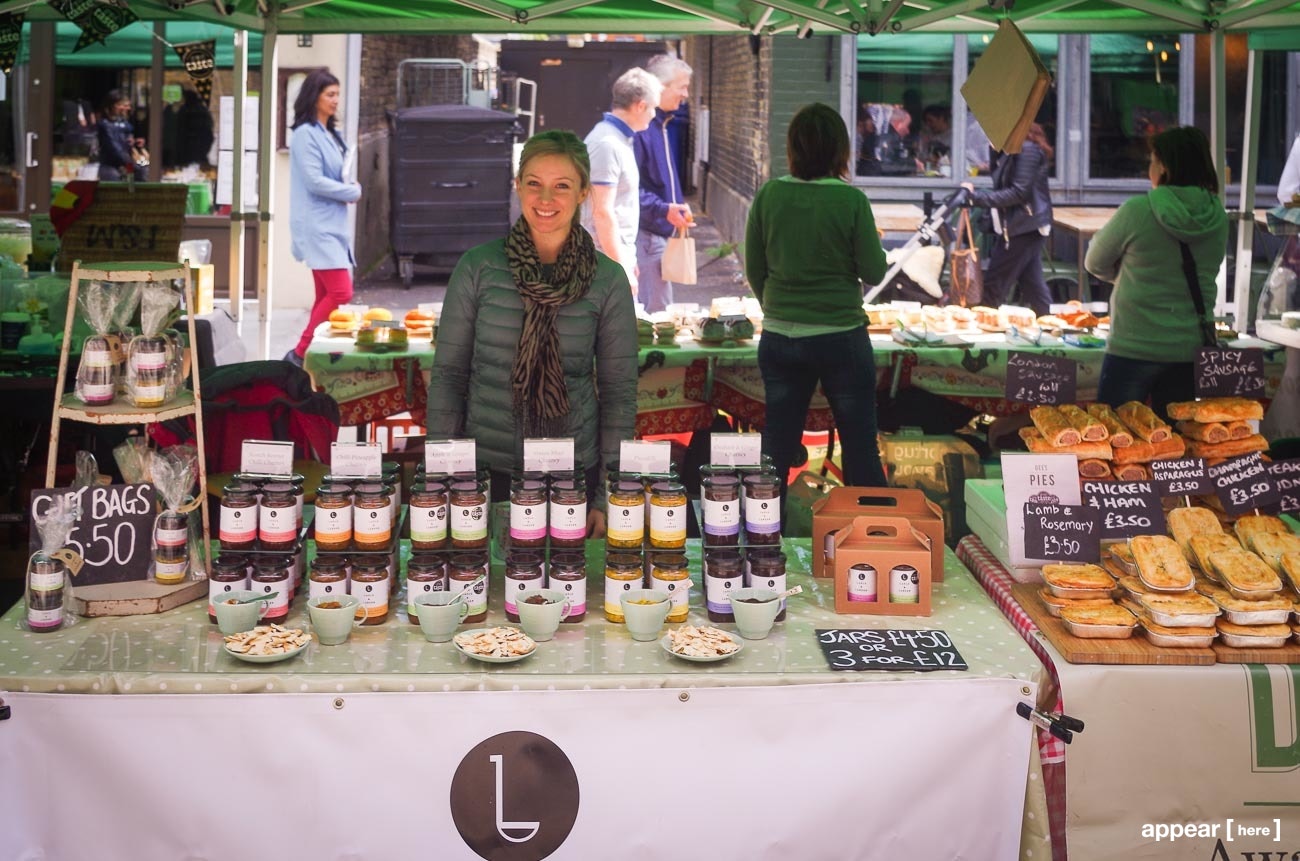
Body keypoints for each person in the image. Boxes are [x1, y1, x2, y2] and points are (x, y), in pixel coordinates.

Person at [426, 130, 639, 536]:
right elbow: (449, 378)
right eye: (534, 183)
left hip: (573, 477)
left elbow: (619, 395)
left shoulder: (607, 280)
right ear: (518, 186)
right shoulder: (478, 268)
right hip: (487, 476)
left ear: (583, 193)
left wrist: (606, 496)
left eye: (562, 186)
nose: (545, 199)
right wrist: (443, 480)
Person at [745, 103, 889, 489]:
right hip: (841, 337)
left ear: (792, 148)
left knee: (776, 448)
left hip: (780, 339)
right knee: (860, 448)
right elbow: (874, 272)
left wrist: (777, 309)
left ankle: (763, 526)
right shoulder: (851, 201)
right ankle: (868, 524)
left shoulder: (769, 195)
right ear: (841, 150)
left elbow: (755, 270)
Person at [1087, 126, 1228, 418]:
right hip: (1188, 347)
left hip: (1132, 346)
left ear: (1163, 166)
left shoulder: (1138, 210)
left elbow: (1095, 262)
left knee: (1118, 433)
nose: (1149, 168)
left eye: (1152, 160)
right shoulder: (1218, 217)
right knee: (1176, 438)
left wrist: (1130, 276)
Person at [284, 68, 361, 367]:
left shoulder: (329, 133)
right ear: (314, 97)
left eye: (337, 94)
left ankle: (315, 355)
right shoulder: (305, 135)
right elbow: (314, 181)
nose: (335, 100)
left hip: (332, 224)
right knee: (341, 291)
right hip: (317, 225)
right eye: (330, 94)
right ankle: (300, 352)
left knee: (325, 295)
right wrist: (351, 192)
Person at [582, 68, 663, 295]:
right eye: (653, 107)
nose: (654, 114)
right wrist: (620, 267)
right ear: (640, 106)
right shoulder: (607, 144)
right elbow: (601, 212)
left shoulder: (617, 140)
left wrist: (627, 259)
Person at [961, 123, 1055, 316]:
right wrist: (995, 150)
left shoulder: (1027, 150)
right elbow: (1003, 184)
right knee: (1033, 286)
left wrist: (975, 198)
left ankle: (983, 326)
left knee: (993, 285)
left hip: (1023, 226)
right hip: (1021, 226)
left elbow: (1019, 192)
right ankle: (1051, 324)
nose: (988, 137)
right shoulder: (1008, 150)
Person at [633, 54, 694, 313]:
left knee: (658, 309)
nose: (686, 94)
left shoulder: (661, 123)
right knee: (655, 313)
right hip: (647, 235)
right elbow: (628, 191)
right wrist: (664, 209)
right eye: (682, 86)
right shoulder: (643, 127)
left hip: (657, 232)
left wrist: (675, 206)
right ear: (660, 86)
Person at [97, 89, 146, 181]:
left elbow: (127, 143)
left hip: (127, 164)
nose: (124, 108)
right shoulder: (105, 125)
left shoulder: (125, 123)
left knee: (143, 172)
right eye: (120, 105)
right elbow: (115, 149)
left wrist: (136, 142)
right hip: (111, 166)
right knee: (115, 181)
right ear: (110, 106)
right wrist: (133, 165)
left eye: (125, 105)